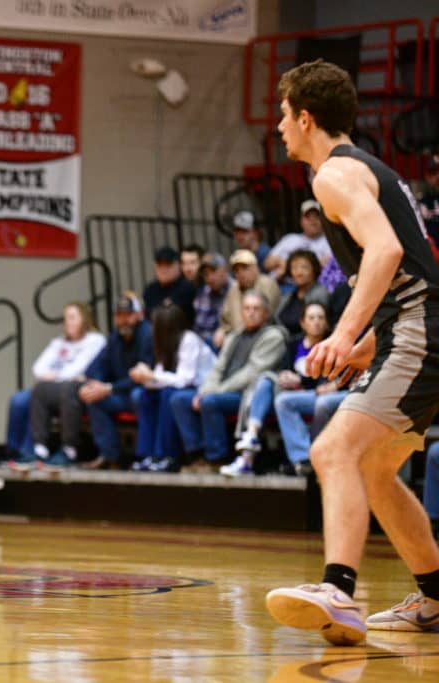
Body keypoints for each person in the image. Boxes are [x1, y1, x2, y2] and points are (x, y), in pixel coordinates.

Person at [265, 60, 439, 645]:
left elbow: (387, 252)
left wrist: (342, 334)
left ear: (305, 118)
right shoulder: (366, 169)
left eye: (284, 114)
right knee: (374, 470)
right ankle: (436, 600)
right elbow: (409, 270)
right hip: (414, 330)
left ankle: (337, 591)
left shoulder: (333, 175)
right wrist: (367, 346)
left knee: (332, 449)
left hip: (419, 330)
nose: (279, 126)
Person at [170, 291, 286, 470]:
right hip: (222, 390)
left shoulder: (274, 337)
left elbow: (251, 373)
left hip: (247, 395)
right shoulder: (234, 336)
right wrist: (204, 390)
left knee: (210, 402)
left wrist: (215, 392)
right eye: (247, 308)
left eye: (256, 309)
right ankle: (196, 456)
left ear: (266, 313)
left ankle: (216, 459)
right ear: (241, 312)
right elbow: (218, 368)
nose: (251, 313)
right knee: (179, 399)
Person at [225, 302, 331, 477]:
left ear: (327, 323)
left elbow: (327, 380)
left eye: (321, 318)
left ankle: (248, 458)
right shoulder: (293, 343)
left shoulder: (330, 345)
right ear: (303, 322)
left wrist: (301, 380)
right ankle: (251, 434)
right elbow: (284, 368)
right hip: (289, 391)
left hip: (313, 394)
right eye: (311, 318)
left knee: (279, 398)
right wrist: (285, 377)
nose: (316, 322)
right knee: (266, 380)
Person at [8, 303, 106, 470]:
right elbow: (38, 368)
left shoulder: (95, 340)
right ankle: (30, 451)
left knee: (64, 389)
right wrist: (57, 377)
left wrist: (55, 376)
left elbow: (79, 369)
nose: (67, 322)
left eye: (72, 317)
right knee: (24, 397)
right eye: (65, 318)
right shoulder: (59, 342)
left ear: (84, 319)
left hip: (77, 389)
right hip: (53, 387)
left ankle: (68, 450)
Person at [129, 303, 216, 472]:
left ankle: (167, 455)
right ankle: (147, 454)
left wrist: (152, 376)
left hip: (203, 388)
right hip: (181, 387)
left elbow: (185, 379)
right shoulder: (164, 343)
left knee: (168, 394)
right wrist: (144, 378)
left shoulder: (189, 339)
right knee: (146, 394)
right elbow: (160, 375)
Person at [77, 292, 154, 470]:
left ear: (138, 315)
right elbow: (96, 367)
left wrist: (109, 388)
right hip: (119, 392)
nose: (123, 320)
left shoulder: (147, 335)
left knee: (138, 396)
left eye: (128, 315)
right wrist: (93, 385)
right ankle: (110, 456)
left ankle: (146, 455)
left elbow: (142, 377)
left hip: (143, 390)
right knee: (93, 397)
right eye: (119, 315)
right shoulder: (115, 337)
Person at [213, 249, 281, 348]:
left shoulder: (266, 283)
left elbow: (265, 318)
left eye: (245, 268)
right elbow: (225, 319)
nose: (240, 273)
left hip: (263, 337)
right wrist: (222, 330)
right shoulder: (234, 290)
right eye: (236, 270)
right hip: (237, 339)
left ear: (255, 268)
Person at [263, 199, 334, 280]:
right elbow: (267, 264)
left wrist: (286, 266)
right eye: (308, 217)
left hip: (315, 284)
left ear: (323, 220)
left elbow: (328, 264)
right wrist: (284, 263)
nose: (313, 221)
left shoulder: (330, 242)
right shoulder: (290, 239)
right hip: (281, 283)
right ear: (301, 221)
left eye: (316, 217)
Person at [273, 249, 330, 338]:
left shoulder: (321, 294)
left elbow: (317, 327)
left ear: (314, 269)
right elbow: (275, 319)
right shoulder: (288, 296)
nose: (299, 273)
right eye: (294, 268)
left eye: (304, 267)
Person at [142, 246, 196, 322]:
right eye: (160, 265)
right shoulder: (150, 290)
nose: (163, 269)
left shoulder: (188, 288)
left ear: (178, 265)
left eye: (168, 264)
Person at [192, 252, 231, 347]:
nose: (210, 277)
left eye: (213, 271)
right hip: (200, 341)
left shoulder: (235, 290)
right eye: (206, 274)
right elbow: (197, 325)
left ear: (224, 270)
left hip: (223, 342)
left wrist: (224, 330)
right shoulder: (203, 292)